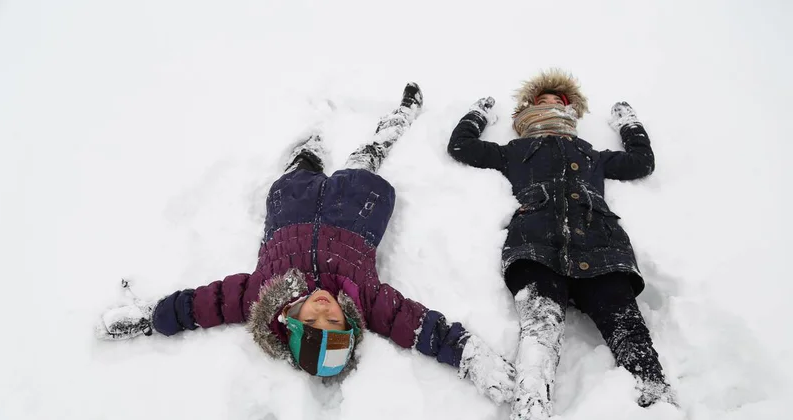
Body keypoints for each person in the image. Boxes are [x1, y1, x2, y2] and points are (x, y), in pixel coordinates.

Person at [96, 83, 516, 405]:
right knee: (367, 155)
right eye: (336, 324)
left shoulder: (258, 295)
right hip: (354, 205)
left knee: (300, 168)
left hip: (293, 203)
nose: (324, 312)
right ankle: (401, 116)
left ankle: (309, 150)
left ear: (291, 323)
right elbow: (419, 325)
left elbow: (202, 305)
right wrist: (468, 354)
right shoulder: (366, 300)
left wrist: (153, 317)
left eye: (313, 323)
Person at [446, 69, 676, 419]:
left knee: (631, 334)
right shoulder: (515, 151)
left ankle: (659, 403)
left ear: (572, 113)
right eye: (544, 102)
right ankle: (530, 410)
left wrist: (628, 124)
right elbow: (462, 147)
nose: (552, 105)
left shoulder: (590, 154)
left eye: (560, 102)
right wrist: (479, 113)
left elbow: (641, 163)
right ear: (530, 110)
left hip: (602, 247)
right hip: (536, 246)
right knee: (539, 336)